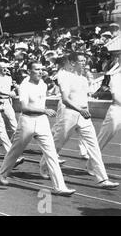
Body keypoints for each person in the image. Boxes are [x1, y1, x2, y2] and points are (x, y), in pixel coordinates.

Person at [0, 61, 76, 196]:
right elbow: (24, 108)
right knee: (15, 150)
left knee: (51, 153)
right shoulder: (24, 86)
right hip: (27, 122)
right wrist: (44, 110)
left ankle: (60, 187)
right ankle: (3, 173)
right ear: (29, 71)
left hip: (42, 122)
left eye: (42, 69)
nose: (40, 72)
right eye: (37, 69)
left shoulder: (43, 84)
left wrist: (43, 112)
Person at [43, 52, 118, 189]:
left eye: (85, 61)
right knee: (58, 143)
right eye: (81, 61)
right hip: (69, 114)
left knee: (94, 146)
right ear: (72, 63)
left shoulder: (83, 79)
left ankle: (102, 179)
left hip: (84, 115)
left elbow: (84, 97)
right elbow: (65, 99)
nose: (84, 63)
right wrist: (80, 110)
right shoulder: (65, 77)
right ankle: (43, 165)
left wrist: (85, 110)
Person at [97, 56, 121, 151]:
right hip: (117, 111)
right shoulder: (115, 77)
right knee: (103, 138)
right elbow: (116, 97)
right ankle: (92, 161)